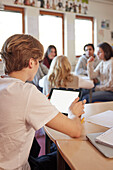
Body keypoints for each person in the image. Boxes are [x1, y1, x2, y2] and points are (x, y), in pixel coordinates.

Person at [0, 34, 86, 170]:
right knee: (69, 156)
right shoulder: (27, 92)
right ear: (31, 62)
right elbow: (75, 131)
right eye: (39, 62)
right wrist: (73, 113)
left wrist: (41, 103)